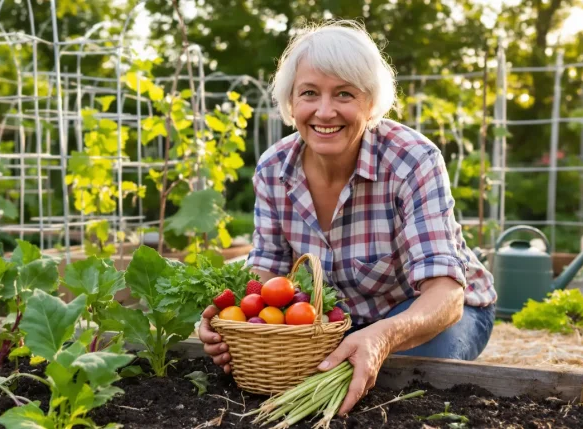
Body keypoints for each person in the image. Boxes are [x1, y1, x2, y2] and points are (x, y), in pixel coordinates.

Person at [198, 20, 497, 416]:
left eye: (344, 93)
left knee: (412, 372)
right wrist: (235, 321)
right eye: (309, 93)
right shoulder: (273, 169)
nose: (325, 111)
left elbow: (446, 294)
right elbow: (267, 275)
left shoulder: (412, 160)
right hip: (335, 322)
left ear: (371, 104)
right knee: (319, 366)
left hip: (422, 312)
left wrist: (382, 337)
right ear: (291, 102)